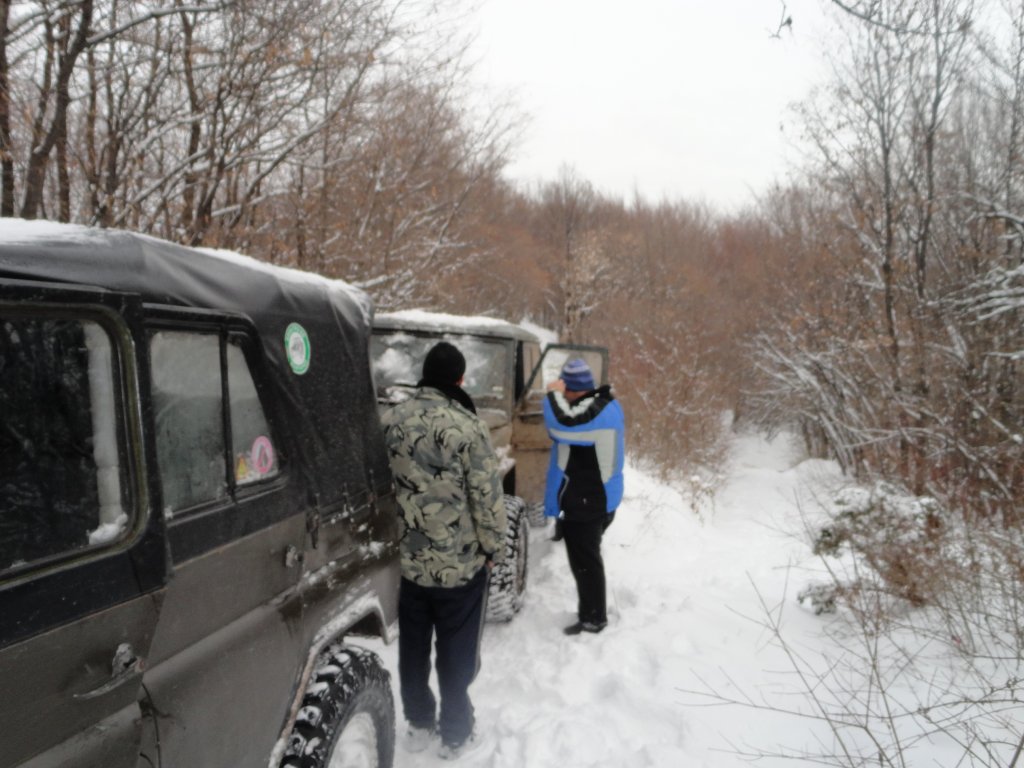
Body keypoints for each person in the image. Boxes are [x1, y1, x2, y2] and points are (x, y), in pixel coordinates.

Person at [380, 341, 506, 759]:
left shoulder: (391, 420)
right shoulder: (468, 427)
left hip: (409, 565)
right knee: (456, 654)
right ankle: (455, 731)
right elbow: (487, 498)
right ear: (459, 379)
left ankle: (418, 720)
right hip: (459, 568)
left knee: (413, 649)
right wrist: (492, 548)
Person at [543, 357, 625, 635]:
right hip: (587, 498)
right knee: (583, 561)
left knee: (587, 563)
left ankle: (594, 618)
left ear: (574, 389)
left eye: (565, 389)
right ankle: (591, 612)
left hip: (590, 501)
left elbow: (561, 426)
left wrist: (551, 394)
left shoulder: (597, 412)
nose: (563, 394)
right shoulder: (595, 405)